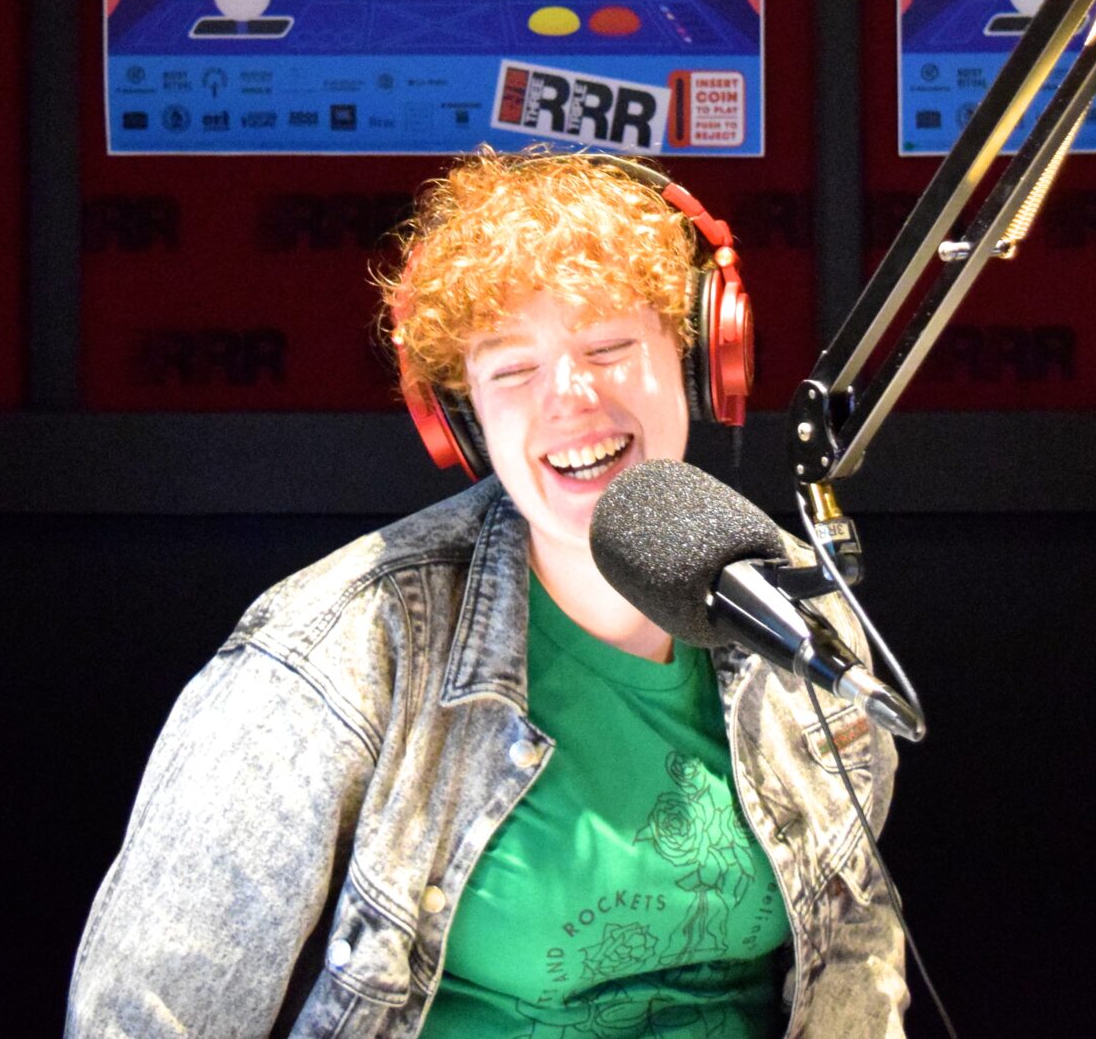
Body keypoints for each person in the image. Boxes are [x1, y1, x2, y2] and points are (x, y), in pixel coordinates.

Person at [65, 149, 905, 1039]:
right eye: (512, 370)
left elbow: (854, 945)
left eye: (610, 345)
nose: (571, 398)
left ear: (700, 359)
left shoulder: (794, 615)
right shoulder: (338, 649)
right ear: (463, 418)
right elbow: (146, 1014)